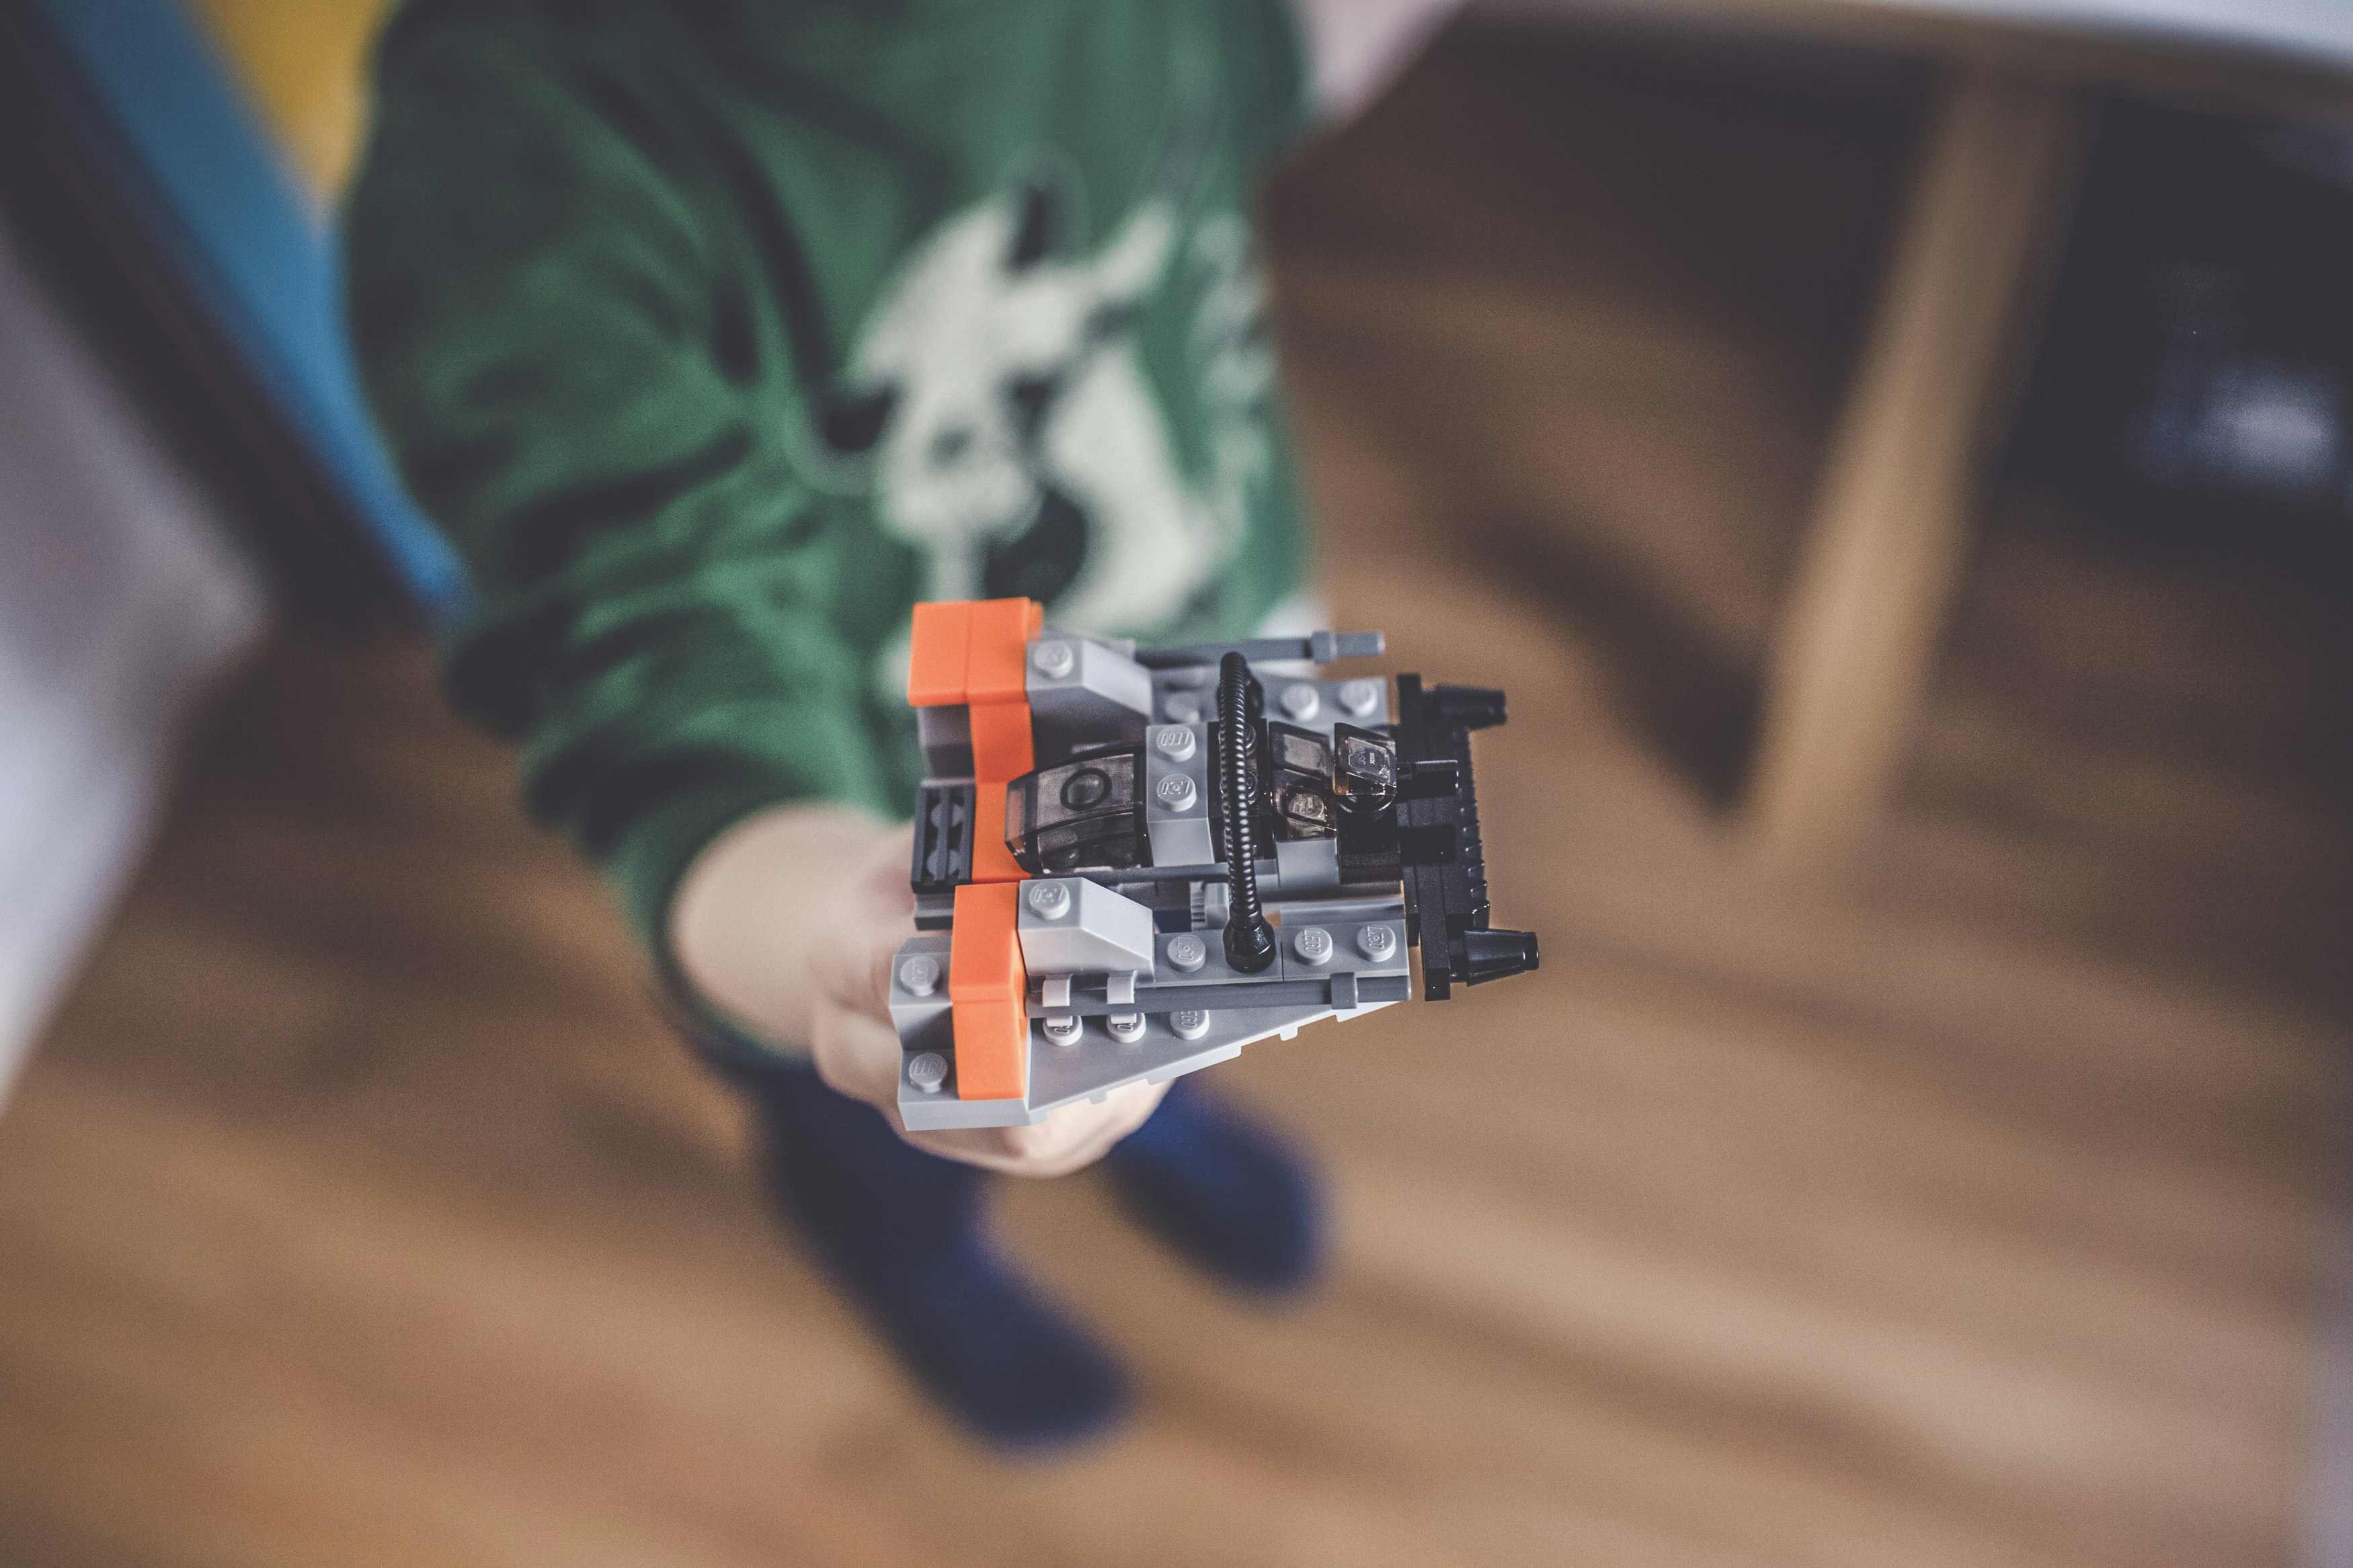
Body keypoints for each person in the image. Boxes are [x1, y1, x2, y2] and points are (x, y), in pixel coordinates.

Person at [346, 0, 1462, 1447]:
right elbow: (670, 695)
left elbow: (1257, 72)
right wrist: (840, 954)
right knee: (906, 1125)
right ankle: (909, 1258)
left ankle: (1159, 1111)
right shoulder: (514, 167)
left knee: (1155, 1015)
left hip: (1208, 692)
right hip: (868, 849)